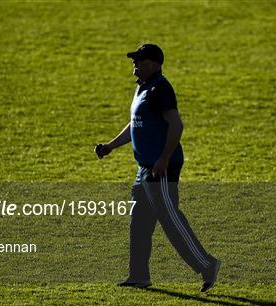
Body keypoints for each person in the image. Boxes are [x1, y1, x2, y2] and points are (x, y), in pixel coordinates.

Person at [94, 44, 221, 292]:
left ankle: (207, 265)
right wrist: (110, 146)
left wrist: (163, 158)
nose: (134, 63)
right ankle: (139, 276)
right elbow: (135, 125)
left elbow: (176, 125)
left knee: (170, 219)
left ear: (154, 63)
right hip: (144, 169)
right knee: (139, 222)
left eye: (139, 59)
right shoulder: (141, 89)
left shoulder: (160, 88)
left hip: (161, 167)